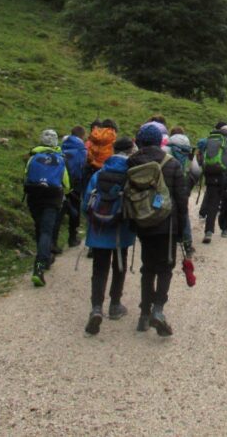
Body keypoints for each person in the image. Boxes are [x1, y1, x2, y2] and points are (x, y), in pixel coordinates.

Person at [129, 123, 189, 336]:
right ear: (159, 141)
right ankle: (158, 310)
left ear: (140, 141)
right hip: (167, 225)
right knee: (165, 268)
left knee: (147, 268)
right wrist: (183, 230)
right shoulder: (172, 164)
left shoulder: (132, 162)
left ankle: (144, 315)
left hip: (143, 223)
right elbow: (181, 200)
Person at [83, 137, 136, 334]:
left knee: (99, 269)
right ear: (130, 151)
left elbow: (85, 203)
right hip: (121, 230)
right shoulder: (131, 175)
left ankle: (96, 308)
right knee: (119, 265)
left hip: (98, 229)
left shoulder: (99, 174)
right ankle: (115, 305)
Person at [23, 129, 70, 287]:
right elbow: (67, 185)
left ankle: (45, 258)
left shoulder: (33, 157)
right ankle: (39, 268)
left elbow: (26, 176)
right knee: (46, 231)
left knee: (39, 228)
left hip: (34, 198)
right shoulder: (60, 159)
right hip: (52, 199)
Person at [198, 122, 227, 243]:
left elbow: (200, 157)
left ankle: (208, 232)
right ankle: (225, 229)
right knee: (226, 203)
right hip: (225, 176)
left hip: (210, 175)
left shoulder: (209, 140)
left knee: (212, 205)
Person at [55, 125, 87, 250]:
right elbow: (84, 166)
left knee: (60, 211)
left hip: (61, 182)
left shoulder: (62, 146)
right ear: (82, 135)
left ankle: (54, 242)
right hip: (75, 183)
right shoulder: (82, 149)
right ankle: (72, 237)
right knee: (75, 209)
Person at [167, 132, 199, 255]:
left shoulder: (167, 152)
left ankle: (168, 241)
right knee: (183, 211)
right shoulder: (189, 155)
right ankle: (187, 243)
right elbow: (196, 171)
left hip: (168, 187)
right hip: (184, 185)